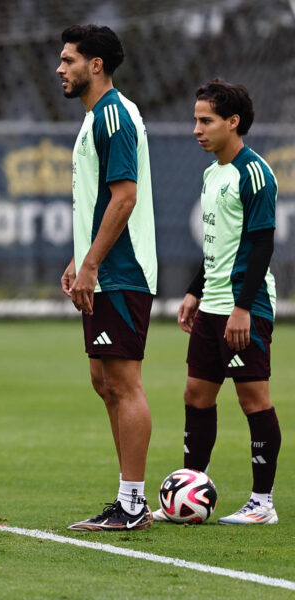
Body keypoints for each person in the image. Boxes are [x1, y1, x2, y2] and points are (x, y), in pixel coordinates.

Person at [153, 79, 281, 525]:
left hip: (245, 307)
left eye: (205, 120)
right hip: (212, 306)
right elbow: (217, 244)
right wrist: (194, 289)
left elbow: (262, 245)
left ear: (233, 122)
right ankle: (192, 490)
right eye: (195, 120)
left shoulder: (256, 173)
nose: (196, 129)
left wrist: (242, 308)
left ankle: (262, 503)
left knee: (253, 399)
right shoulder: (212, 173)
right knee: (197, 394)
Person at [57, 25, 157, 531]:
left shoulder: (114, 115)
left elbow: (124, 197)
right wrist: (80, 258)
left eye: (69, 60)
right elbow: (100, 200)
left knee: (123, 381)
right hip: (104, 268)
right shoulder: (97, 117)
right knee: (104, 381)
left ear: (96, 65)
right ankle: (128, 498)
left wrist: (93, 263)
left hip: (123, 270)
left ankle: (134, 505)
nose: (60, 69)